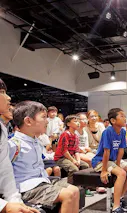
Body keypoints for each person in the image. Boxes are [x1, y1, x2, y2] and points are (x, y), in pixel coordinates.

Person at [8, 101, 80, 213]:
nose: (47, 121)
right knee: (68, 194)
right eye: (44, 117)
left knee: (75, 189)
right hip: (26, 188)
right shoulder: (14, 144)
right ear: (28, 121)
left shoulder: (35, 141)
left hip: (41, 181)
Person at [0, 80, 39, 213]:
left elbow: (5, 169)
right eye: (2, 92)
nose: (8, 97)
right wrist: (4, 206)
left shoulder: (1, 129)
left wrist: (15, 200)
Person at [92, 108, 127, 213]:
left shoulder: (122, 131)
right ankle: (116, 207)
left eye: (124, 116)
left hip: (113, 159)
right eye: (121, 116)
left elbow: (121, 150)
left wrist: (117, 165)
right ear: (113, 120)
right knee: (122, 173)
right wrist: (103, 171)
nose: (124, 118)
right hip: (100, 160)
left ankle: (119, 198)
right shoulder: (107, 131)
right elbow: (106, 152)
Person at [54, 115, 90, 184]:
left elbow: (76, 150)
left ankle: (84, 187)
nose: (78, 123)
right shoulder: (65, 134)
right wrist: (73, 160)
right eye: (75, 121)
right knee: (73, 169)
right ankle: (70, 187)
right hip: (61, 158)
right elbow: (64, 151)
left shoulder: (76, 136)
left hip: (70, 157)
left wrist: (78, 160)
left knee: (85, 166)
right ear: (68, 124)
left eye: (78, 121)